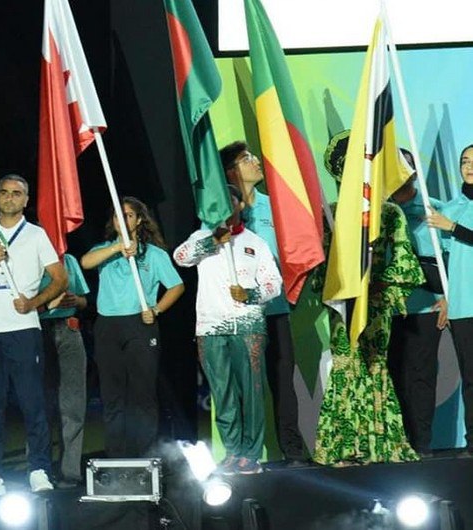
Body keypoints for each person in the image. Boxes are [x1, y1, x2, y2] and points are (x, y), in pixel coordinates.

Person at [313, 131, 422, 466]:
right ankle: (344, 446)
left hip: (375, 304)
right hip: (343, 303)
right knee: (346, 366)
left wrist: (383, 288)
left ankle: (381, 443)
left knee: (374, 365)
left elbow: (404, 260)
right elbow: (321, 266)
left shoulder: (389, 213)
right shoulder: (328, 215)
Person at [0, 174, 68, 498]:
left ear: (26, 200)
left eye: (17, 193)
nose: (10, 198)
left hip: (23, 330)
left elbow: (60, 279)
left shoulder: (36, 235)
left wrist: (33, 303)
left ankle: (39, 469)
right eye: (4, 192)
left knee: (32, 402)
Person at [174, 185, 282, 474]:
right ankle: (233, 451)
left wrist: (250, 294)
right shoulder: (201, 236)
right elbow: (180, 257)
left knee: (251, 391)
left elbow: (274, 283)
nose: (224, 207)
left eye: (230, 201)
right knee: (222, 392)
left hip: (248, 326)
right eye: (218, 202)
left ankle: (251, 453)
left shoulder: (255, 243)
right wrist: (212, 241)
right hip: (210, 327)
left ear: (239, 206)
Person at [221, 141, 308, 464]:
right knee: (246, 386)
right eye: (246, 159)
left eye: (254, 157)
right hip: (240, 316)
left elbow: (298, 252)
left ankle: (293, 450)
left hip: (275, 308)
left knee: (283, 381)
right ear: (231, 171)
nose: (256, 162)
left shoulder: (277, 207)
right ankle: (245, 453)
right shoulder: (220, 213)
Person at [81, 197, 184, 458]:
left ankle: (145, 454)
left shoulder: (155, 254)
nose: (122, 219)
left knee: (142, 394)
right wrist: (117, 249)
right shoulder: (104, 249)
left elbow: (176, 286)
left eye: (127, 215)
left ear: (139, 220)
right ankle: (116, 455)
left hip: (140, 325)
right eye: (117, 215)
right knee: (113, 395)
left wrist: (157, 309)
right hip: (108, 326)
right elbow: (86, 262)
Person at [388, 149, 448, 458]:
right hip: (386, 309)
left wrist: (450, 297)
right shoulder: (376, 214)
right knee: (392, 377)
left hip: (425, 309)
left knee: (420, 376)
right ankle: (397, 445)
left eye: (403, 165)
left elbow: (454, 260)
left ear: (413, 170)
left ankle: (420, 445)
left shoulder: (433, 210)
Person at [425, 143, 473, 454]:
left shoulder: (450, 219)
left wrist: (453, 228)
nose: (469, 166)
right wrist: (444, 294)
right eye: (465, 161)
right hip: (464, 307)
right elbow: (440, 258)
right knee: (470, 378)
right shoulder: (450, 208)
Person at [38, 253, 89, 488]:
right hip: (37, 330)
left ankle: (70, 471)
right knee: (39, 405)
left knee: (73, 404)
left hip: (69, 330)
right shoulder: (27, 257)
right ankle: (39, 469)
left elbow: (84, 301)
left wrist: (74, 301)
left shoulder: (68, 259)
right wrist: (47, 303)